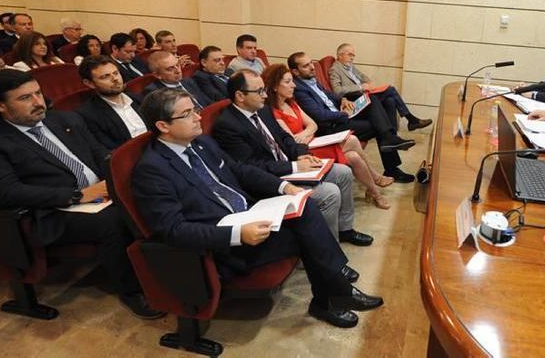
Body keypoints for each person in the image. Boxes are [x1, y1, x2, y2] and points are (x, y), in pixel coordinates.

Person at [133, 88, 383, 328]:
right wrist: (237, 233)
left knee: (306, 208)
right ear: (163, 126)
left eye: (195, 109)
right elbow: (173, 230)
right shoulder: (152, 170)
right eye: (187, 114)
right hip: (223, 244)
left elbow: (239, 171)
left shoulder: (201, 144)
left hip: (250, 213)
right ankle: (336, 294)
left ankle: (334, 294)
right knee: (308, 231)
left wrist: (283, 188)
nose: (198, 117)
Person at [0, 69, 163, 319]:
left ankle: (165, 268)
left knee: (152, 191)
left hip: (98, 192)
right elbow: (4, 192)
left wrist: (116, 180)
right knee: (115, 221)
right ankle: (132, 290)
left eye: (37, 93)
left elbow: (99, 154)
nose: (37, 102)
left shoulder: (65, 119)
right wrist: (77, 196)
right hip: (48, 211)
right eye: (25, 98)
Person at [212, 69, 372, 245]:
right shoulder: (227, 126)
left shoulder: (263, 111)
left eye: (264, 89)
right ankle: (326, 248)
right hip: (271, 180)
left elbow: (284, 138)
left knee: (343, 173)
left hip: (289, 167)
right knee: (329, 193)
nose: (265, 95)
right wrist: (295, 167)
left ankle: (345, 230)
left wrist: (302, 154)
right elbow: (250, 167)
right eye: (259, 91)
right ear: (240, 96)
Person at [263, 64, 393, 209]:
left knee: (354, 157)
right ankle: (375, 178)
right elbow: (290, 140)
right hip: (304, 153)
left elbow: (313, 125)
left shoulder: (291, 103)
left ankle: (375, 193)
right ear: (275, 87)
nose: (293, 85)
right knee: (353, 139)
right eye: (287, 82)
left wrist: (305, 133)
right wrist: (305, 133)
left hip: (312, 141)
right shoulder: (272, 112)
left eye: (292, 81)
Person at [289, 52, 417, 183]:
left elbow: (330, 96)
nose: (312, 67)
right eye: (306, 65)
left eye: (311, 63)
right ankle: (390, 155)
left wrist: (343, 100)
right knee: (378, 125)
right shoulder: (299, 90)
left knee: (373, 100)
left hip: (340, 116)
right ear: (296, 72)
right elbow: (320, 116)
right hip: (332, 127)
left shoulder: (311, 80)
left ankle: (389, 140)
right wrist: (344, 114)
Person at [329, 43, 432, 131]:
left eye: (353, 55)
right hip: (354, 99)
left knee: (390, 100)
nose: (352, 58)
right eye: (350, 55)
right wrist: (361, 87)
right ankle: (411, 119)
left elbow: (363, 77)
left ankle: (393, 135)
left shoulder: (350, 67)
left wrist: (368, 83)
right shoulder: (335, 69)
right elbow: (337, 91)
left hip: (364, 94)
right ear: (340, 55)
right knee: (390, 89)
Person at [77, 56, 147, 150]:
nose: (115, 79)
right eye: (105, 76)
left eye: (116, 73)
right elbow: (113, 152)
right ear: (89, 83)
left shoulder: (138, 98)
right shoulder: (88, 115)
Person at [143, 51, 212, 108]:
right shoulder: (155, 93)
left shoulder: (188, 81)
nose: (178, 71)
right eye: (170, 68)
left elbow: (207, 102)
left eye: (178, 65)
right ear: (157, 75)